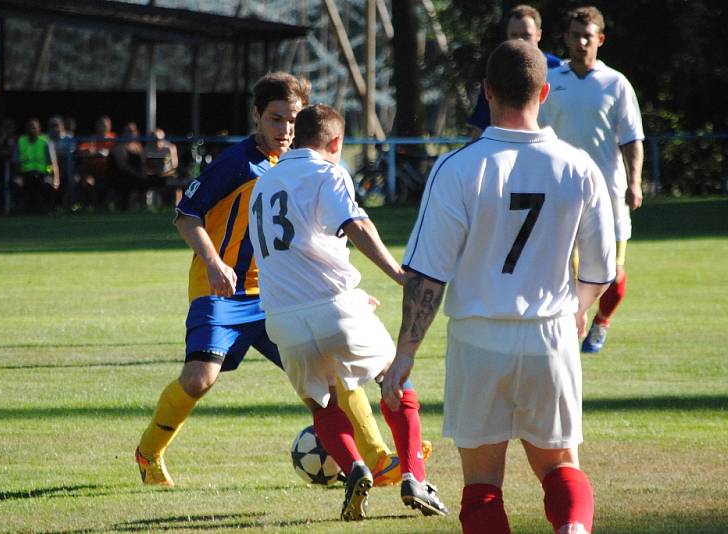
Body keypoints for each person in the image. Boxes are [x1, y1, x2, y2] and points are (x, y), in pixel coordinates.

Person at [382, 40, 616, 533]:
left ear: (486, 92)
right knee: (559, 467)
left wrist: (405, 354)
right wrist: (578, 309)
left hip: (478, 337)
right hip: (550, 335)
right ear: (545, 92)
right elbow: (599, 271)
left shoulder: (458, 168)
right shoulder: (578, 167)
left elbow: (427, 274)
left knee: (482, 482)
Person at [135, 72, 409, 490]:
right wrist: (213, 262)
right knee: (199, 379)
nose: (285, 130)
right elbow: (186, 215)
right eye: (276, 119)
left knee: (327, 379)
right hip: (221, 291)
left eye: (293, 121)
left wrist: (340, 291)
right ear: (257, 116)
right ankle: (149, 451)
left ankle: (378, 460)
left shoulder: (302, 165)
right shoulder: (235, 163)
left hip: (278, 294)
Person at [249, 103, 447, 521]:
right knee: (395, 381)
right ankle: (415, 477)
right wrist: (398, 274)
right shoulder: (328, 172)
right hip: (335, 309)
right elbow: (357, 225)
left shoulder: (263, 186)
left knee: (322, 406)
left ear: (297, 136)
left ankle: (355, 467)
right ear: (335, 142)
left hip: (282, 319)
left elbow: (293, 253)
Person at [539, 6, 645, 353]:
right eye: (575, 35)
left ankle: (601, 322)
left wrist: (634, 182)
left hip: (609, 193)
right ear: (567, 39)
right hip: (560, 192)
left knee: (613, 276)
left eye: (589, 36)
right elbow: (535, 130)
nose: (582, 41)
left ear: (600, 39)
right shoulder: (552, 82)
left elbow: (631, 138)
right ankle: (570, 326)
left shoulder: (616, 83)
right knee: (562, 271)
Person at [467, 4, 561, 140]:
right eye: (514, 35)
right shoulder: (496, 74)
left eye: (526, 35)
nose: (520, 40)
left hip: (552, 152)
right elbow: (480, 128)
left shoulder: (559, 69)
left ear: (538, 34)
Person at [13, 118, 59, 213]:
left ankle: (48, 209)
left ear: (39, 129)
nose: (32, 130)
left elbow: (52, 163)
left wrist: (52, 177)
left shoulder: (45, 142)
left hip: (42, 174)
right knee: (16, 184)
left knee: (48, 185)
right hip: (25, 174)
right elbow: (16, 162)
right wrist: (17, 176)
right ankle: (20, 209)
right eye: (30, 128)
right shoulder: (21, 141)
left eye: (34, 128)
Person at [107, 121, 147, 211]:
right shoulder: (119, 146)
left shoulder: (138, 146)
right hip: (120, 176)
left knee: (148, 180)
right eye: (128, 131)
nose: (132, 133)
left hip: (134, 175)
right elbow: (123, 167)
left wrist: (144, 173)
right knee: (134, 183)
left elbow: (143, 163)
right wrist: (138, 174)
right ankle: (127, 208)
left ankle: (142, 208)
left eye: (134, 131)